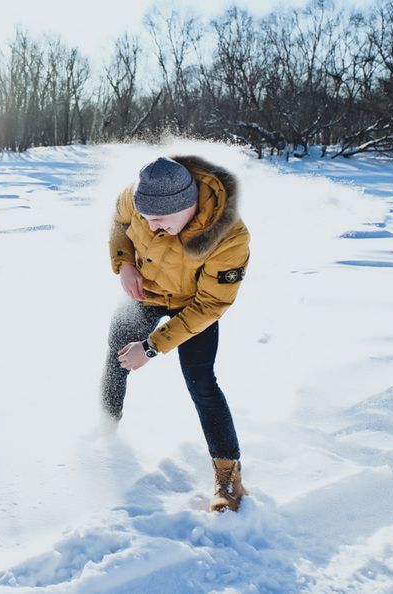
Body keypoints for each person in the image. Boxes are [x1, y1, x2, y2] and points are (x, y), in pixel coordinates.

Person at [102, 155, 250, 512]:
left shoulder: (229, 237)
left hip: (194, 307)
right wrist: (123, 262)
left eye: (160, 220)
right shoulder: (138, 197)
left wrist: (151, 349)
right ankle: (105, 427)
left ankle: (228, 474)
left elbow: (210, 306)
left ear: (188, 205)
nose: (151, 227)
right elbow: (120, 220)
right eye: (146, 218)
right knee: (116, 354)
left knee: (201, 381)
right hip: (147, 293)